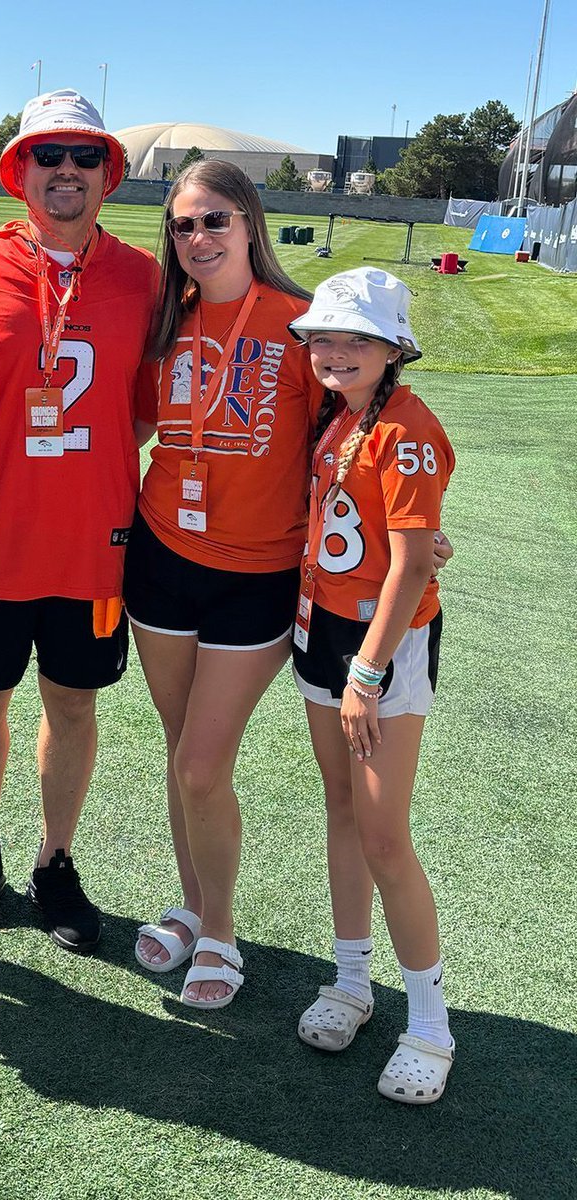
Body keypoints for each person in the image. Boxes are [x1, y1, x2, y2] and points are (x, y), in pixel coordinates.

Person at [0, 89, 158, 952]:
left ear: (109, 172)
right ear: (19, 169)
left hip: (93, 543)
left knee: (73, 704)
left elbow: (145, 409)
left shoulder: (143, 276)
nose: (67, 169)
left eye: (85, 155)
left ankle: (55, 860)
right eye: (49, 154)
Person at [127, 160, 320, 1008]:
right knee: (181, 756)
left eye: (212, 221)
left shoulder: (306, 325)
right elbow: (134, 424)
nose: (197, 238)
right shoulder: (166, 322)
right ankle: (195, 905)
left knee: (205, 765)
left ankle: (223, 933)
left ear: (249, 222)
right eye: (181, 226)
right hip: (162, 558)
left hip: (258, 574)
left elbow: (358, 432)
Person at [288, 268, 456, 1104]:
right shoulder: (343, 418)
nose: (334, 351)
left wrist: (366, 672)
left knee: (385, 833)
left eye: (355, 338)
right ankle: (352, 980)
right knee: (344, 813)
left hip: (378, 648)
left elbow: (411, 562)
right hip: (323, 631)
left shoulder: (407, 428)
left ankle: (429, 1023)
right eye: (323, 335)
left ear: (393, 348)